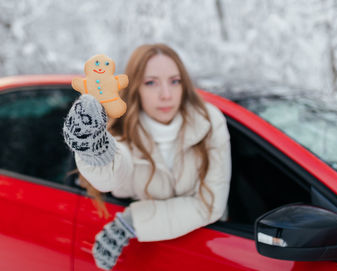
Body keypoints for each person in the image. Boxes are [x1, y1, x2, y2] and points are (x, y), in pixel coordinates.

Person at [63, 43, 231, 270]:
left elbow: (211, 204)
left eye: (175, 81)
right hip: (146, 258)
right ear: (135, 87)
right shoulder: (121, 130)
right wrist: (97, 150)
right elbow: (112, 176)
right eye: (151, 83)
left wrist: (133, 221)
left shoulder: (209, 121)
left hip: (214, 251)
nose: (166, 95)